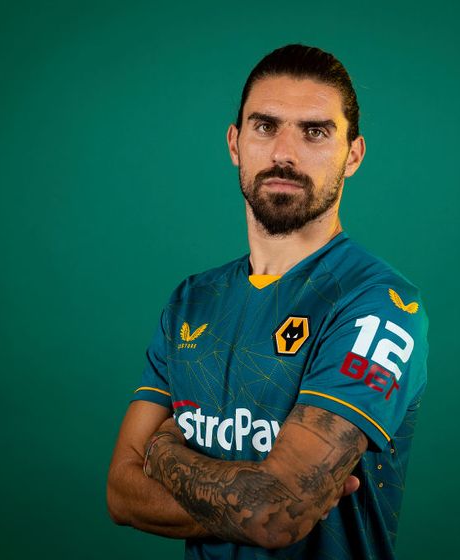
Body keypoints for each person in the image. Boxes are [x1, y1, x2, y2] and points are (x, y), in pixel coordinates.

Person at [107, 44, 429, 559]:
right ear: (235, 143)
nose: (285, 152)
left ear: (353, 155)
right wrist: (250, 500)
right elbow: (121, 494)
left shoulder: (377, 304)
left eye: (315, 132)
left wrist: (163, 451)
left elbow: (279, 515)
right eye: (265, 126)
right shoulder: (192, 300)